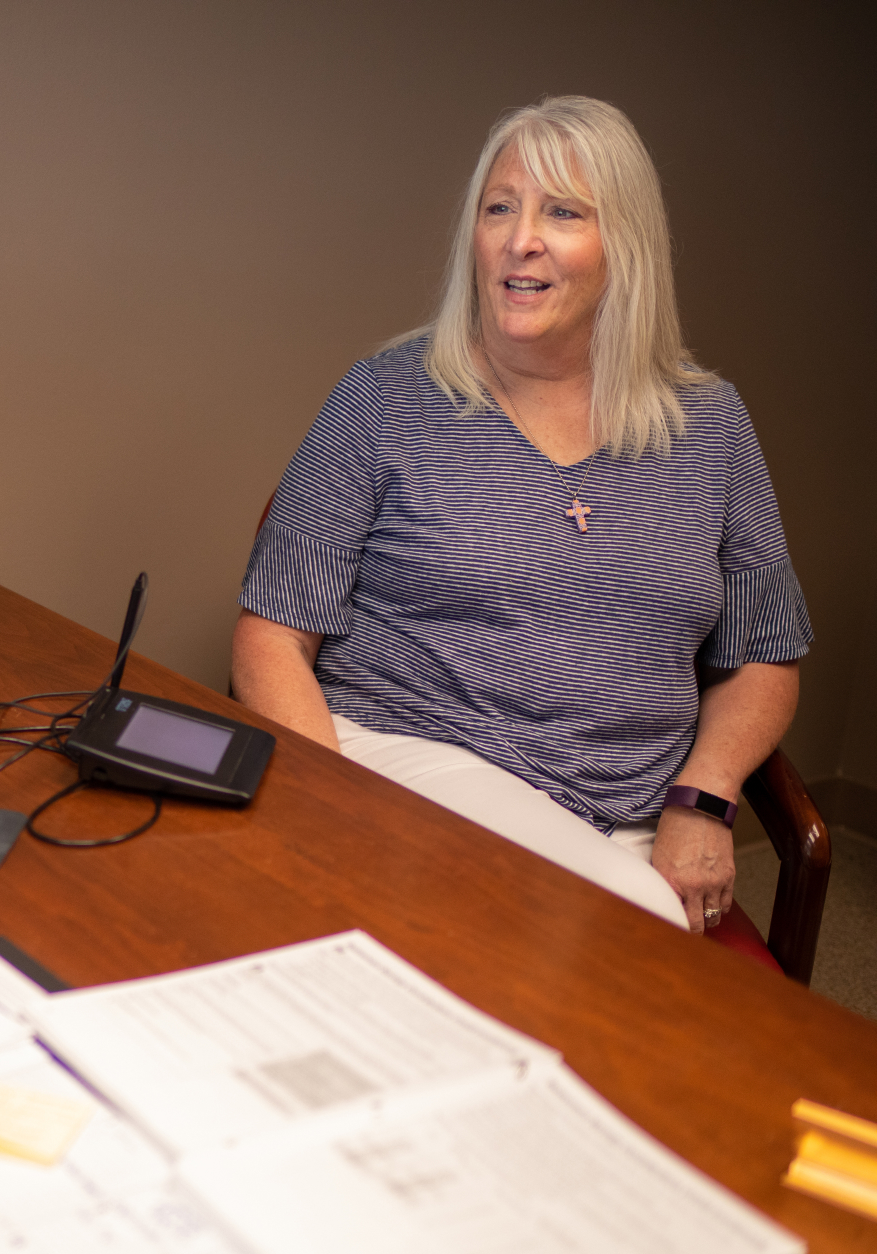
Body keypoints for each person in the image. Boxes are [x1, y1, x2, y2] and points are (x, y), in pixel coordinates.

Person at [232, 95, 810, 935]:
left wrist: (702, 799)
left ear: (627, 246)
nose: (519, 238)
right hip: (414, 768)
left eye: (562, 212)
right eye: (499, 208)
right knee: (637, 930)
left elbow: (766, 657)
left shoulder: (711, 425)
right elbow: (270, 636)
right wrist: (337, 815)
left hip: (627, 815)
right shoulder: (384, 398)